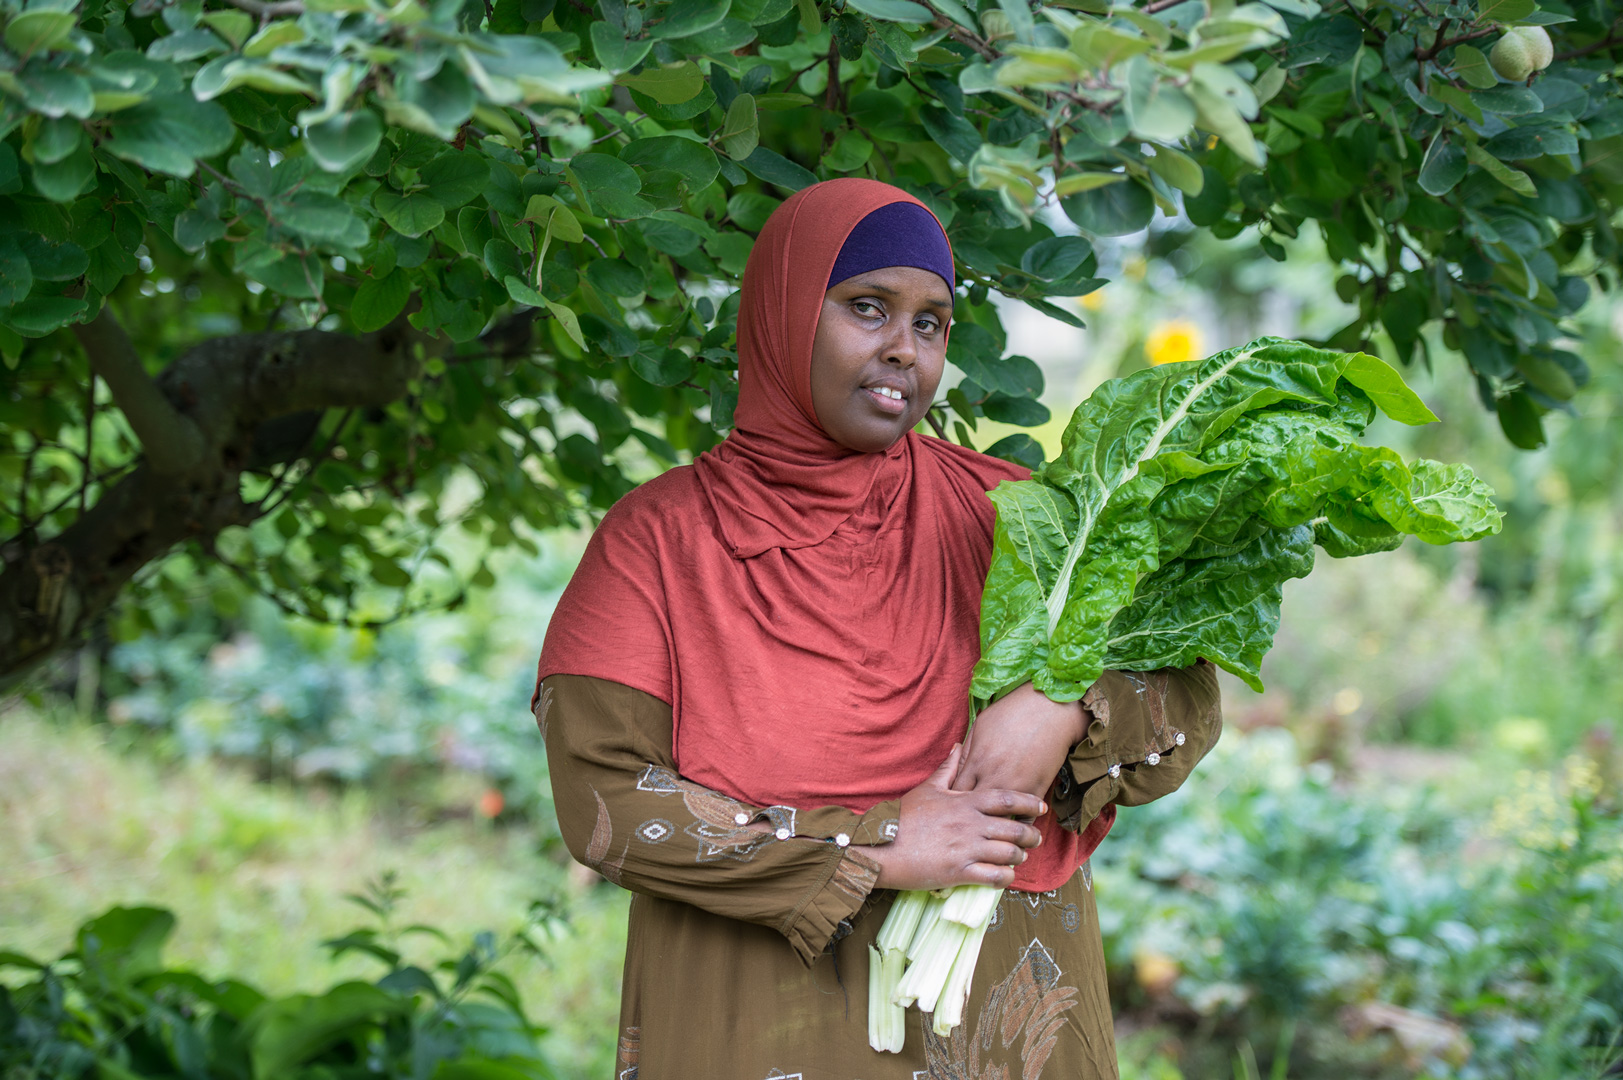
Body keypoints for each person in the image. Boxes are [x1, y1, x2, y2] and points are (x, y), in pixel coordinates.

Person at [533, 177, 1221, 1078]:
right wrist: (879, 843)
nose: (903, 349)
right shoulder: (660, 541)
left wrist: (1060, 708)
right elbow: (605, 801)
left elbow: (1179, 692)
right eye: (867, 308)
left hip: (1000, 1004)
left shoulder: (1009, 517)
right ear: (783, 316)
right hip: (757, 1001)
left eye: (930, 323)